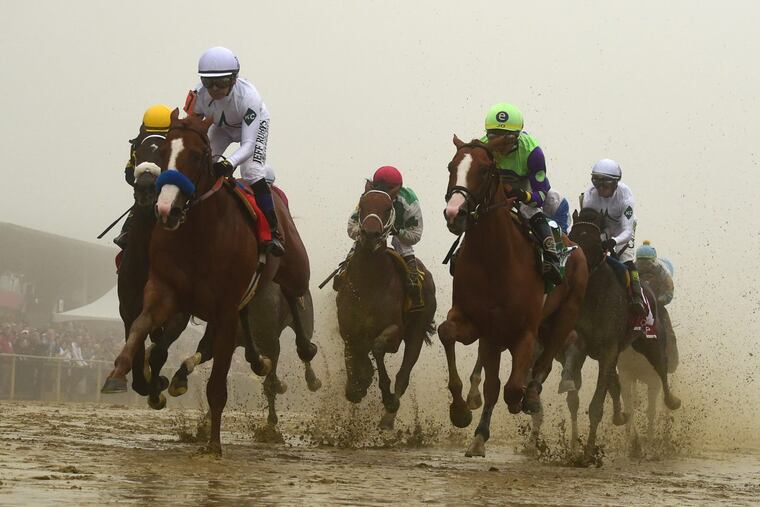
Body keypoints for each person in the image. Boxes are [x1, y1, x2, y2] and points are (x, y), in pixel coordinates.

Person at [185, 46, 283, 256]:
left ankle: (273, 232)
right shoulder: (198, 95)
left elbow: (248, 145)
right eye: (207, 82)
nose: (214, 89)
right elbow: (191, 127)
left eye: (220, 82)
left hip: (251, 129)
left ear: (233, 79)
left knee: (252, 172)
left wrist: (229, 163)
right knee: (203, 163)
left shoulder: (249, 97)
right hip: (222, 128)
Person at [482, 102, 562, 285]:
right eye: (494, 137)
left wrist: (522, 195)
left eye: (506, 139)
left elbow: (541, 196)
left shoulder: (533, 152)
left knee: (531, 212)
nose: (499, 145)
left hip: (525, 185)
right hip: (496, 188)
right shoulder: (484, 148)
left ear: (516, 136)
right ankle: (460, 250)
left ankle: (551, 256)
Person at [346, 166, 425, 311]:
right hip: (370, 234)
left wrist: (396, 231)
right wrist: (363, 232)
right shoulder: (368, 198)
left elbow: (416, 235)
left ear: (397, 191)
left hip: (399, 233)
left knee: (400, 243)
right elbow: (351, 227)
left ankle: (414, 283)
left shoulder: (409, 201)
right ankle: (343, 274)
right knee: (359, 244)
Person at [579, 158, 646, 317]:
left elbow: (627, 230)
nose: (600, 189)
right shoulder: (590, 196)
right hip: (604, 228)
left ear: (615, 183)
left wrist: (614, 241)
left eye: (605, 185)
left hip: (623, 230)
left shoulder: (626, 198)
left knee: (626, 259)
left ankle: (637, 297)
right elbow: (590, 225)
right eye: (597, 183)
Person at [113, 103, 173, 249]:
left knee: (138, 207)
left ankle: (125, 233)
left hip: (151, 192)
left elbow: (129, 174)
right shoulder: (173, 143)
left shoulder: (138, 143)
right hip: (165, 193)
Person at [636, 240, 678, 369]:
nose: (644, 266)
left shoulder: (663, 272)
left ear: (654, 261)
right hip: (636, 308)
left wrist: (657, 301)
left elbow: (669, 292)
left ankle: (671, 362)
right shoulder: (631, 270)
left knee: (669, 334)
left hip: (657, 309)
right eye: (641, 263)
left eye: (647, 263)